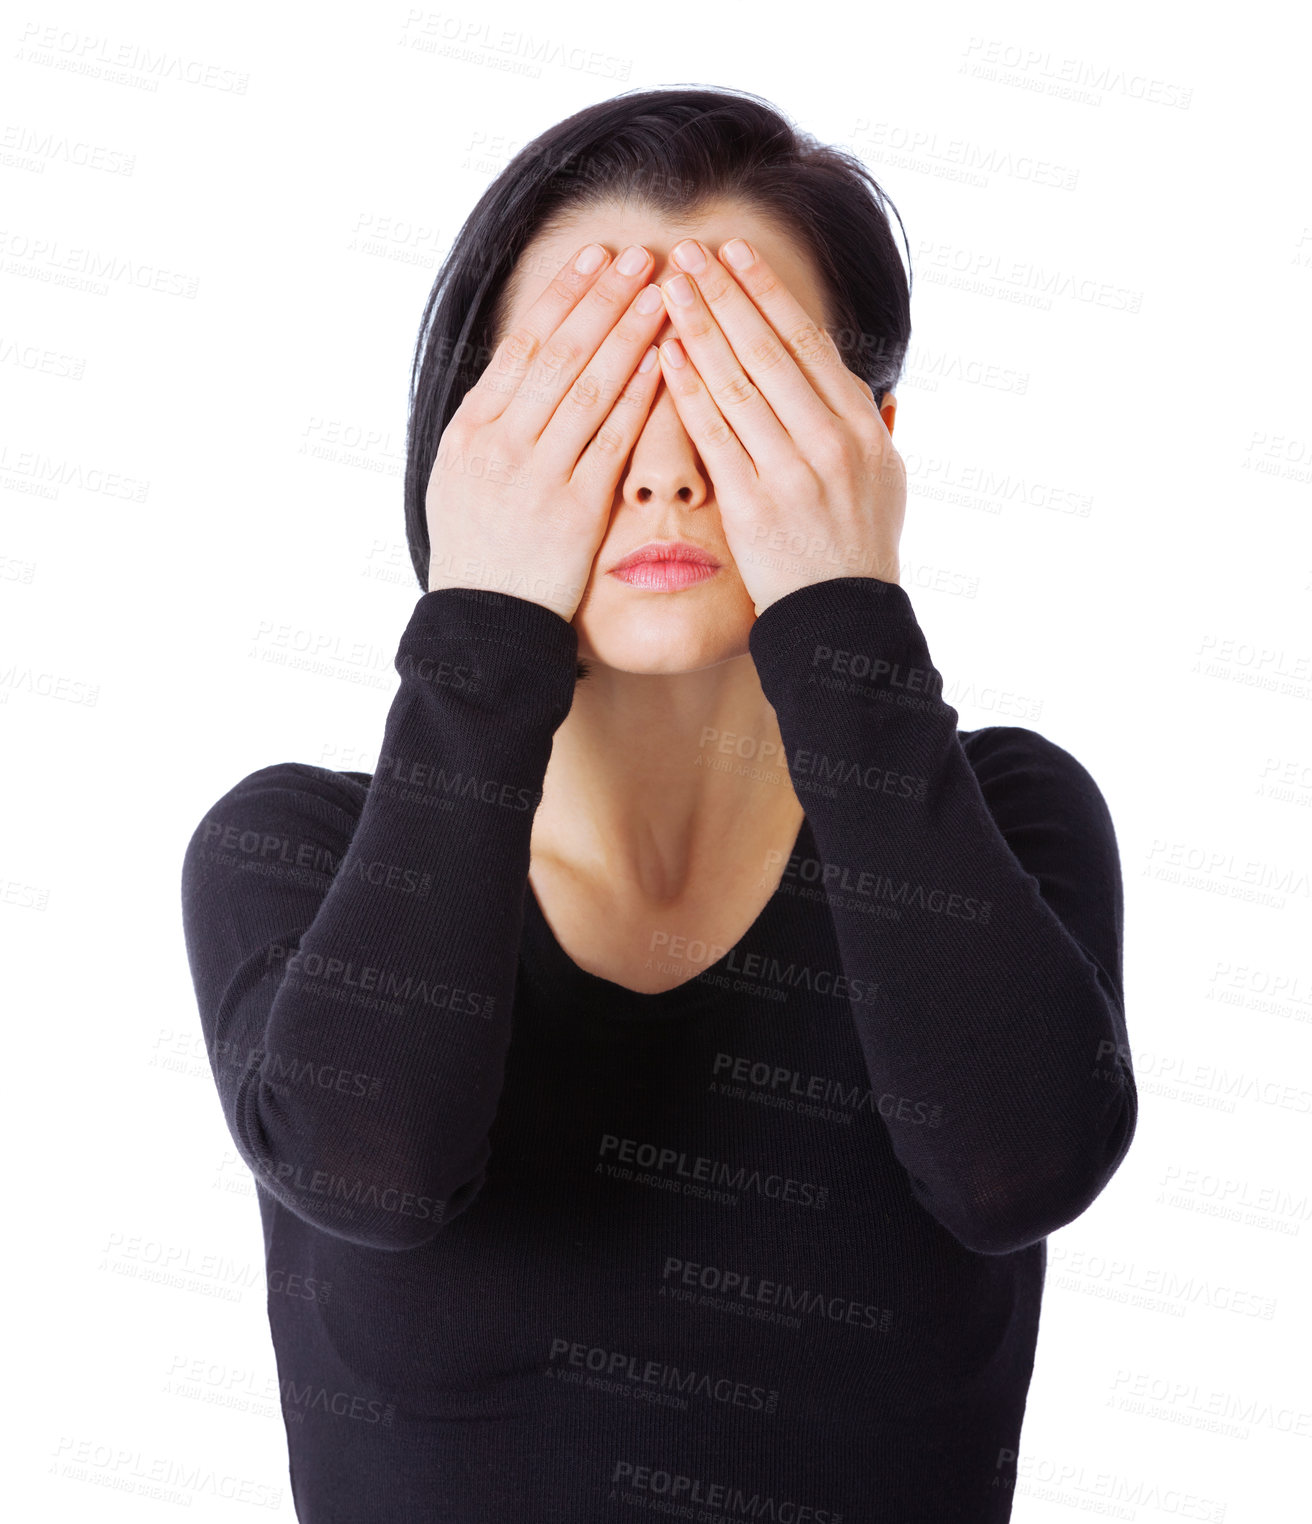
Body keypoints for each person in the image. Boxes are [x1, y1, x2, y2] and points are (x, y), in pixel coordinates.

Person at [181, 86, 1137, 1523]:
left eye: (740, 392)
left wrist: (848, 614)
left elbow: (1021, 1164)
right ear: (471, 440)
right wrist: (483, 623)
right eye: (590, 390)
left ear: (867, 437)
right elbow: (371, 1167)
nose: (669, 465)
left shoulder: (1001, 817)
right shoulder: (293, 854)